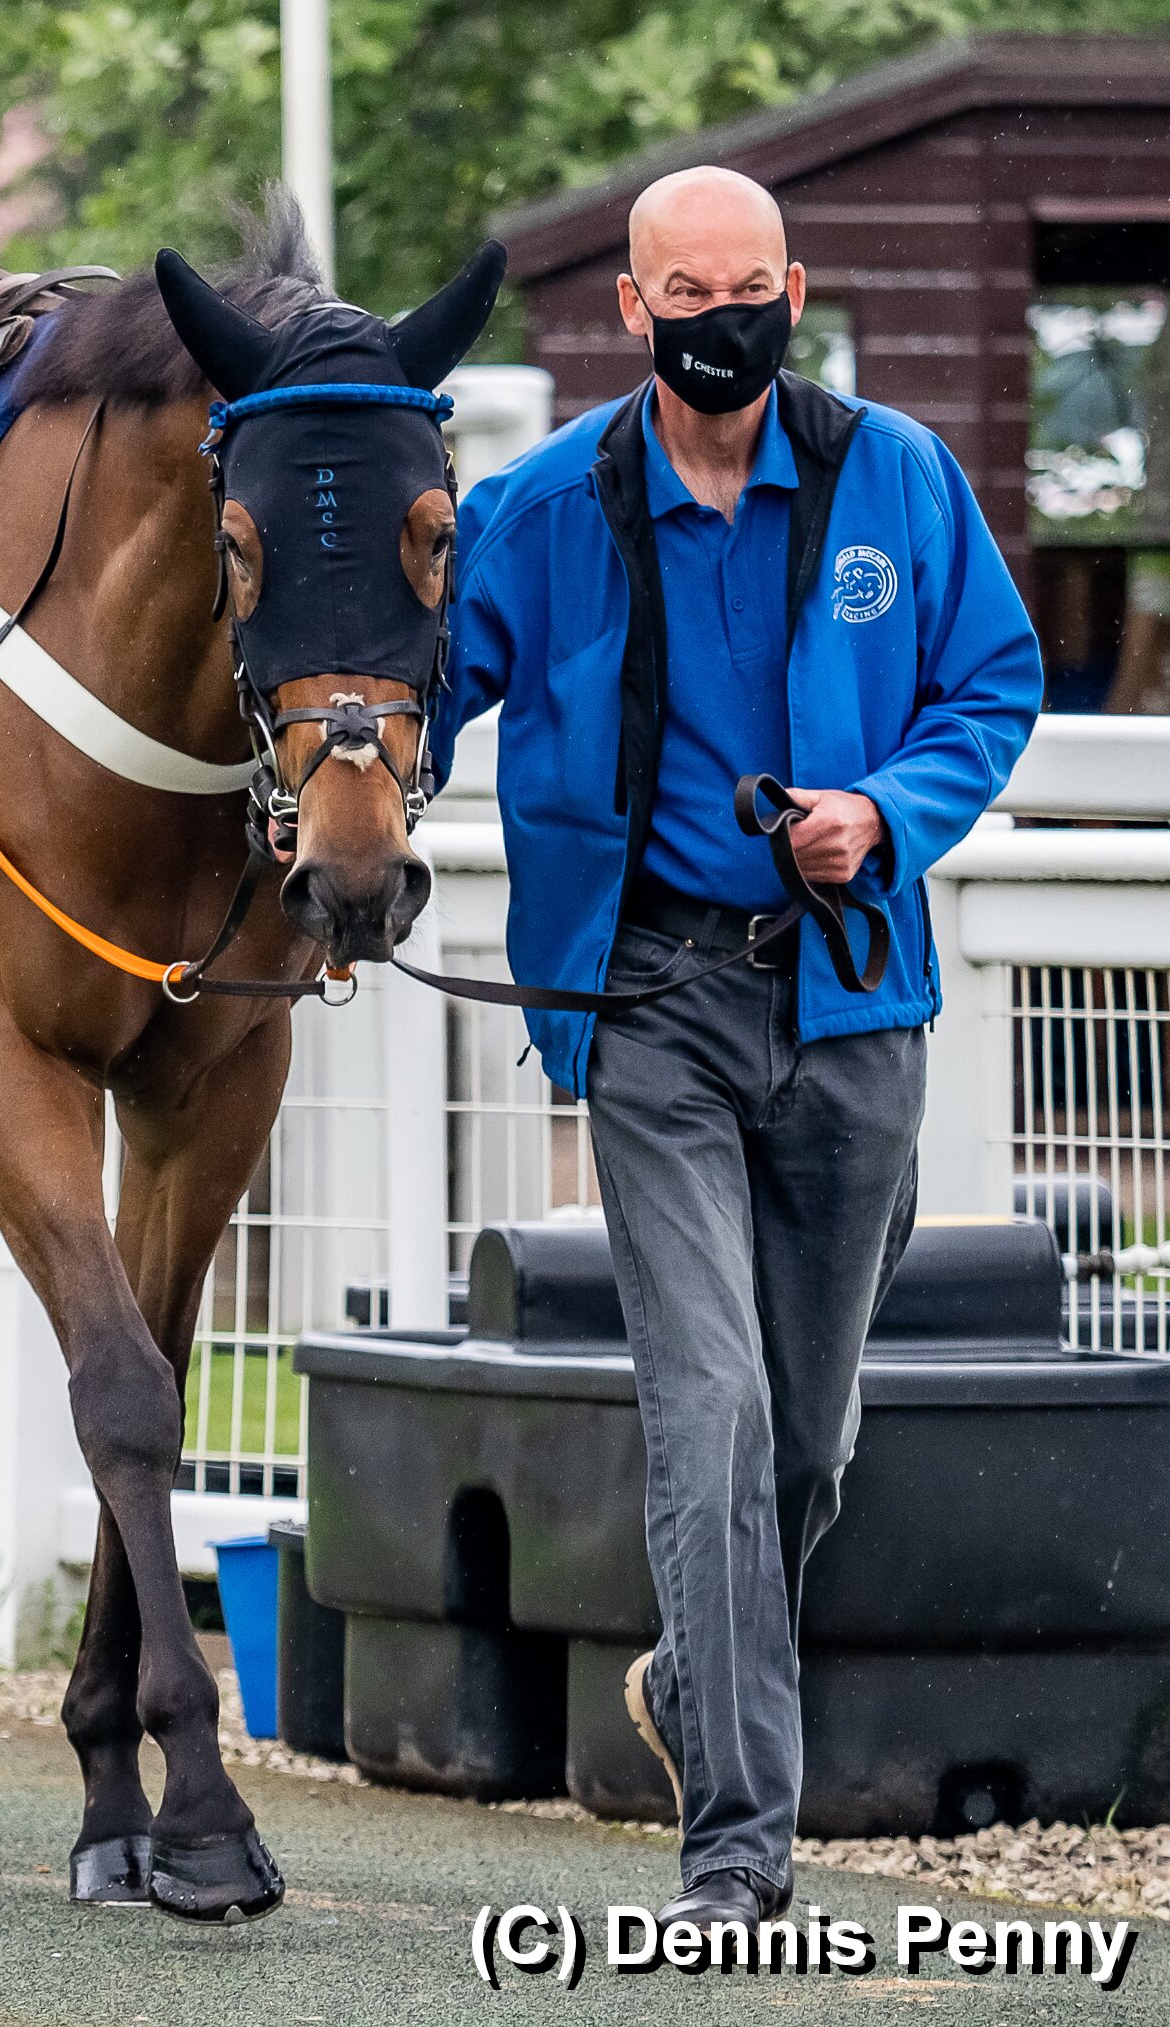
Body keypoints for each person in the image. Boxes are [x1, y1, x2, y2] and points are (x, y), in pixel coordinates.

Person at [427, 166, 1041, 1929]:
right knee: (709, 1408)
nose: (721, 320)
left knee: (806, 1445)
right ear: (634, 308)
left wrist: (887, 810)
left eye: (747, 288)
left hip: (853, 999)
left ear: (796, 289)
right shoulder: (541, 512)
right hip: (652, 1004)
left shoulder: (896, 478)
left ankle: (697, 1679)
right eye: (686, 294)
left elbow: (990, 686)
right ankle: (736, 1845)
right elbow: (406, 702)